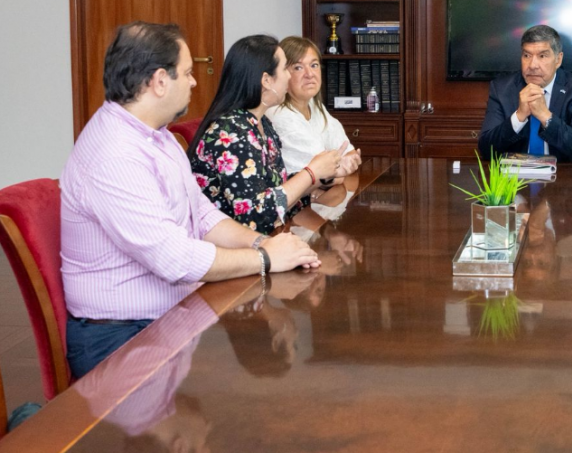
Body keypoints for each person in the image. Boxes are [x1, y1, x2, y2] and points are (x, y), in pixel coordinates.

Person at [61, 22, 322, 379]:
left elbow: (201, 213)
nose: (195, 81)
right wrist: (264, 258)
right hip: (124, 336)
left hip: (173, 313)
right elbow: (173, 259)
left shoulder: (158, 135)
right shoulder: (114, 155)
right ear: (159, 81)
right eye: (187, 72)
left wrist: (262, 242)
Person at [188, 35, 360, 235]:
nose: (289, 76)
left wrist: (324, 176)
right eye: (285, 68)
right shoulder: (231, 134)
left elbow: (279, 190)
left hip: (263, 239)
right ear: (267, 81)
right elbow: (255, 215)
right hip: (233, 248)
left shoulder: (262, 124)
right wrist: (312, 173)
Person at [266, 36, 361, 205]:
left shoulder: (314, 106)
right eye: (298, 67)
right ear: (283, 74)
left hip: (313, 202)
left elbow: (349, 156)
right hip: (289, 211)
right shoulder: (279, 114)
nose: (309, 74)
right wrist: (334, 173)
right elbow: (326, 172)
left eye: (314, 65)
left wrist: (334, 173)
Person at [478, 25, 572, 162]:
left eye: (542, 56)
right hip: (513, 178)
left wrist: (545, 116)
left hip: (561, 176)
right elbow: (486, 149)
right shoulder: (502, 89)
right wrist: (519, 116)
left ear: (558, 59)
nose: (532, 65)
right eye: (526, 55)